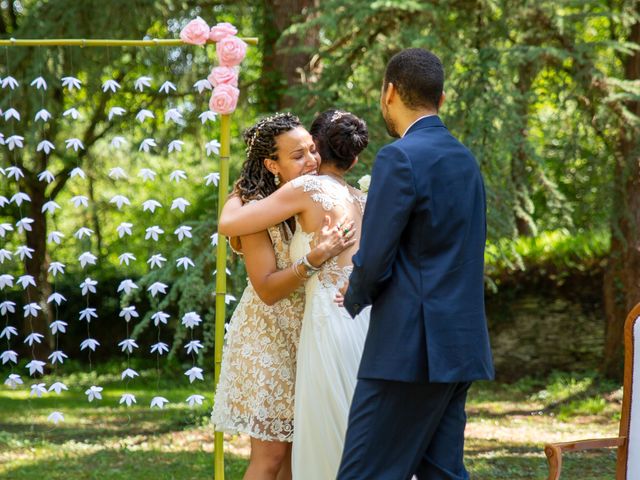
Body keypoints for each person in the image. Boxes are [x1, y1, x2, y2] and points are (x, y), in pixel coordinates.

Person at [336, 48, 495, 479]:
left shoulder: (399, 157)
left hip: (407, 351)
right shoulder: (465, 160)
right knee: (440, 474)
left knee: (362, 473)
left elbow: (377, 255)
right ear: (440, 99)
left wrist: (354, 294)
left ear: (389, 92)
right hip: (458, 347)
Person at [218, 110, 370, 480]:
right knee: (271, 458)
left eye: (312, 151)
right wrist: (316, 258)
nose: (312, 161)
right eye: (298, 155)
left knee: (295, 458)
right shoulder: (255, 212)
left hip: (307, 336)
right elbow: (268, 290)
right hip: (268, 337)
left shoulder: (308, 199)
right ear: (272, 163)